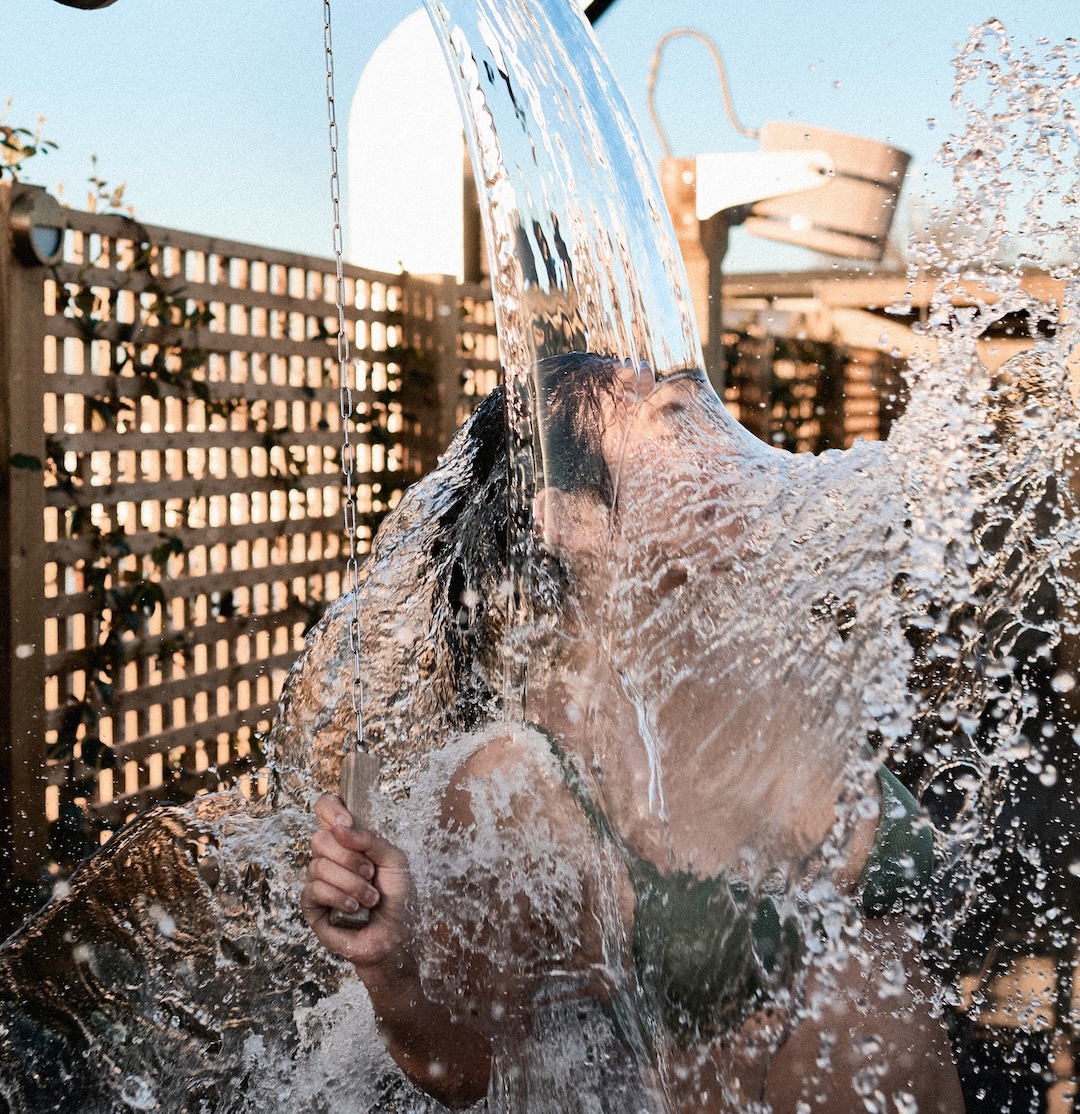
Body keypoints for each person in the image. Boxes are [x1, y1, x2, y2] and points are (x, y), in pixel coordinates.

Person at [302, 355, 964, 1111]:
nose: (729, 441)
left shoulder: (786, 654)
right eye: (677, 420)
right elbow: (467, 1070)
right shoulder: (523, 782)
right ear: (572, 520)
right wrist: (391, 971)